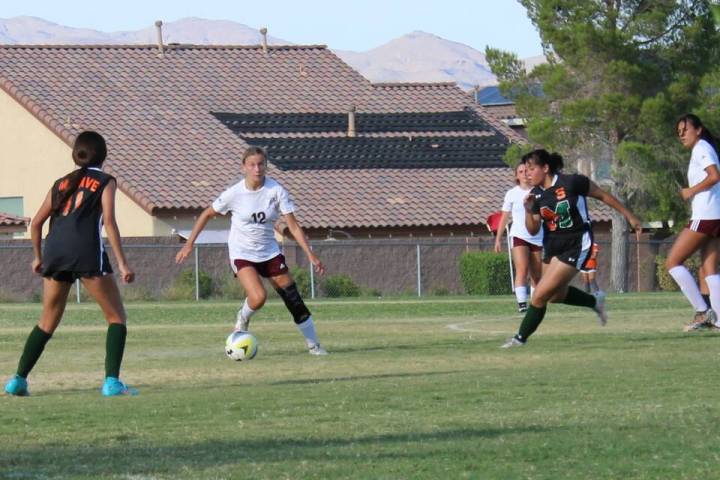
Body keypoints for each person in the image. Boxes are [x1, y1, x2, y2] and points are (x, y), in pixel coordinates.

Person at [4, 131, 136, 396]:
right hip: (85, 252)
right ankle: (112, 383)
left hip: (55, 252)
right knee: (116, 318)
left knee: (47, 321)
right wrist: (122, 264)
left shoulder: (61, 183)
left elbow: (37, 222)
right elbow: (109, 221)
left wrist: (39, 256)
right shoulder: (105, 180)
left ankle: (17, 380)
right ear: (104, 154)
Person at [175, 146, 329, 355]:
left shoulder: (276, 191)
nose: (257, 169)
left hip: (269, 252)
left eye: (261, 164)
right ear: (244, 167)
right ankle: (243, 317)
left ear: (266, 166)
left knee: (293, 297)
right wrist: (189, 243)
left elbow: (292, 225)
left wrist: (310, 253)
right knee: (258, 297)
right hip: (242, 253)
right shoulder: (234, 193)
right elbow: (206, 214)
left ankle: (314, 346)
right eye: (252, 165)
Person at [502, 149, 641, 348]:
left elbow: (603, 195)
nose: (528, 174)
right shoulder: (535, 195)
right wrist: (527, 209)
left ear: (546, 168)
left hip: (576, 243)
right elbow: (532, 230)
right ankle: (595, 303)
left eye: (532, 169)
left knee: (539, 295)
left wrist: (630, 217)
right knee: (555, 296)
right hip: (553, 245)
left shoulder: (572, 182)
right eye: (525, 170)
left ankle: (519, 338)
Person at [665, 114, 720, 331]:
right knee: (709, 269)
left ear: (698, 129)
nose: (681, 135)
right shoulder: (703, 147)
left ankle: (702, 310)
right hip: (715, 215)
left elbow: (714, 176)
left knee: (673, 262)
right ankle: (718, 321)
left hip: (705, 216)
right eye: (678, 132)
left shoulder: (701, 148)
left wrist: (690, 191)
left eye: (685, 130)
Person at [494, 159, 543, 312]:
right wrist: (498, 239)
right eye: (520, 172)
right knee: (522, 269)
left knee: (536, 274)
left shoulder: (539, 192)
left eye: (527, 171)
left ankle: (535, 304)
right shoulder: (512, 194)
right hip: (519, 236)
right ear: (516, 176)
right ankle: (522, 305)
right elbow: (504, 217)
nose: (524, 174)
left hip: (538, 236)